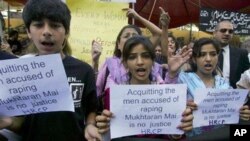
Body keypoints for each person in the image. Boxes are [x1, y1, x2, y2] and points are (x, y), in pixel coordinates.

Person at [0, 0, 101, 141]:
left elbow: (91, 109)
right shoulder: (19, 73)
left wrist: (90, 125)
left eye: (55, 25)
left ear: (66, 32)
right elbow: (22, 123)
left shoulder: (84, 70)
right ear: (29, 31)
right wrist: (9, 122)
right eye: (38, 25)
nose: (47, 31)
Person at [96, 36, 193, 140]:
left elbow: (172, 135)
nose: (139, 62)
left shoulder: (166, 95)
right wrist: (104, 129)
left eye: (145, 56)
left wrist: (177, 131)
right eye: (132, 57)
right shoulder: (113, 95)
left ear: (153, 61)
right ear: (125, 63)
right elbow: (109, 136)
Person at [166, 37, 250, 140]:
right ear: (194, 59)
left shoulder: (224, 84)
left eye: (213, 54)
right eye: (202, 55)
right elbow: (168, 101)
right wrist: (172, 74)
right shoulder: (182, 79)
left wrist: (241, 114)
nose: (208, 59)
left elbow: (232, 116)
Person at [95, 7, 167, 98]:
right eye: (126, 36)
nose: (131, 38)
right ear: (118, 44)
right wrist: (95, 63)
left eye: (134, 35)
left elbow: (158, 33)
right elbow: (96, 90)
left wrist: (137, 17)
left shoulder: (150, 67)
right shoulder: (109, 65)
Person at [213, 20, 250, 88]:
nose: (227, 33)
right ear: (214, 33)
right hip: (209, 95)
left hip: (234, 96)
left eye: (230, 31)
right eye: (223, 30)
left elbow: (247, 77)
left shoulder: (241, 54)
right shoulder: (203, 52)